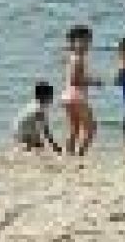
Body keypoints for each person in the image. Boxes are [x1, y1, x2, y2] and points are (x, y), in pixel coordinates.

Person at [59, 25, 103, 156]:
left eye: (89, 41)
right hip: (76, 96)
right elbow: (75, 80)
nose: (87, 45)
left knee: (74, 129)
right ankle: (81, 154)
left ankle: (69, 155)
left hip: (68, 96)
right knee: (91, 128)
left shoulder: (73, 56)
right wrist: (93, 82)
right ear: (74, 42)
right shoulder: (77, 58)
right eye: (84, 41)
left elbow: (75, 77)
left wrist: (89, 79)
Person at [13, 82, 63, 153]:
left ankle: (29, 144)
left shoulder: (33, 104)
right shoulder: (40, 109)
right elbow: (46, 131)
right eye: (50, 95)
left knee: (36, 131)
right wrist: (55, 146)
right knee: (41, 144)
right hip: (23, 136)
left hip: (17, 133)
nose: (51, 98)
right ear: (45, 97)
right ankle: (29, 145)